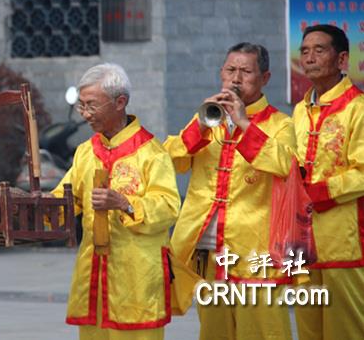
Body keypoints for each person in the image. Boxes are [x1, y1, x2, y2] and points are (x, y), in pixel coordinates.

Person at [164, 43, 296, 340]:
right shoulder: (209, 118)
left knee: (263, 332)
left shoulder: (281, 124)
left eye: (246, 72)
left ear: (265, 78)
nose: (236, 79)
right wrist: (199, 126)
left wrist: (244, 124)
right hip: (209, 252)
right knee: (215, 332)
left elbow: (284, 165)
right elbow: (170, 159)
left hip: (256, 250)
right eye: (230, 71)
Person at [51, 63, 180, 340]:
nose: (85, 114)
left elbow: (169, 207)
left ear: (120, 102)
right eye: (81, 106)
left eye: (92, 106)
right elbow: (65, 199)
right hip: (94, 276)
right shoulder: (86, 152)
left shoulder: (151, 153)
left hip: (137, 278)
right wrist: (31, 208)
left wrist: (125, 203)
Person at [292, 24, 364, 339]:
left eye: (319, 50)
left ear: (342, 59)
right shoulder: (299, 111)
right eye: (305, 51)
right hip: (301, 240)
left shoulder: (357, 108)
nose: (309, 57)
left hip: (344, 239)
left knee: (344, 329)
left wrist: (318, 193)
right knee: (308, 329)